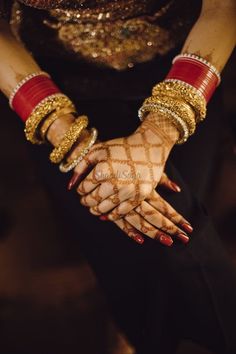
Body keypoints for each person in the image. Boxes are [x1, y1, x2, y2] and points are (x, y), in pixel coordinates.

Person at [0, 0, 236, 353]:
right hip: (52, 89)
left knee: (180, 236)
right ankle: (141, 333)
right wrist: (73, 142)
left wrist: (159, 131)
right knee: (125, 249)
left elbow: (223, 7)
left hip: (185, 67)